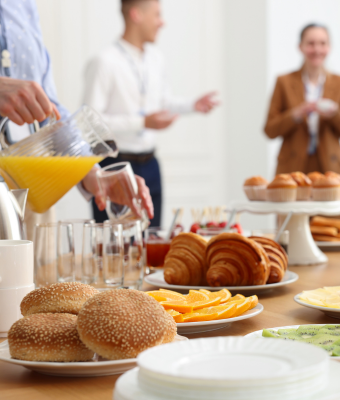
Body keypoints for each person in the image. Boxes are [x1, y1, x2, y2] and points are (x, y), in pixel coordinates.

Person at [0, 0, 153, 240]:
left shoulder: (24, 5)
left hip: (32, 192)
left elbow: (51, 110)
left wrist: (94, 175)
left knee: (42, 276)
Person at [83, 0, 219, 226]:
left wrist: (192, 106)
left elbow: (163, 102)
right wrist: (142, 122)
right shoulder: (104, 61)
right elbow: (89, 123)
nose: (162, 23)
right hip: (114, 166)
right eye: (157, 15)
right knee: (114, 248)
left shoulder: (156, 59)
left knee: (151, 240)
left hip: (151, 164)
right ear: (136, 14)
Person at [264, 23, 340, 175]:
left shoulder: (338, 83)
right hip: (292, 166)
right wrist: (295, 114)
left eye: (322, 43)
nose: (317, 49)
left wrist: (334, 114)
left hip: (329, 166)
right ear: (301, 47)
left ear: (329, 47)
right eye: (311, 43)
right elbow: (270, 130)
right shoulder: (284, 82)